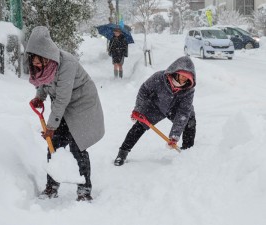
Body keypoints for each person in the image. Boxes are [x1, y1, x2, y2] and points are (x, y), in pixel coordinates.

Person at [26, 26, 105, 201]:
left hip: (81, 104)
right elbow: (43, 83)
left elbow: (62, 99)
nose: (36, 65)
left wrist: (51, 126)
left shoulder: (66, 64)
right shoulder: (42, 65)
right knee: (54, 145)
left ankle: (84, 190)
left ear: (47, 57)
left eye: (39, 62)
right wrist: (40, 97)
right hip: (62, 106)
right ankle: (51, 187)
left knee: (78, 146)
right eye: (34, 62)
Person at [114, 56, 196, 166]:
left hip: (175, 109)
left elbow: (184, 111)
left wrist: (174, 136)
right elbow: (144, 91)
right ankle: (122, 153)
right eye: (182, 76)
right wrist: (138, 109)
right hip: (156, 106)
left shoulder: (188, 89)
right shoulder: (159, 77)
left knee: (189, 119)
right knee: (139, 126)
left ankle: (187, 153)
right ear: (175, 71)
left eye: (186, 79)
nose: (183, 81)